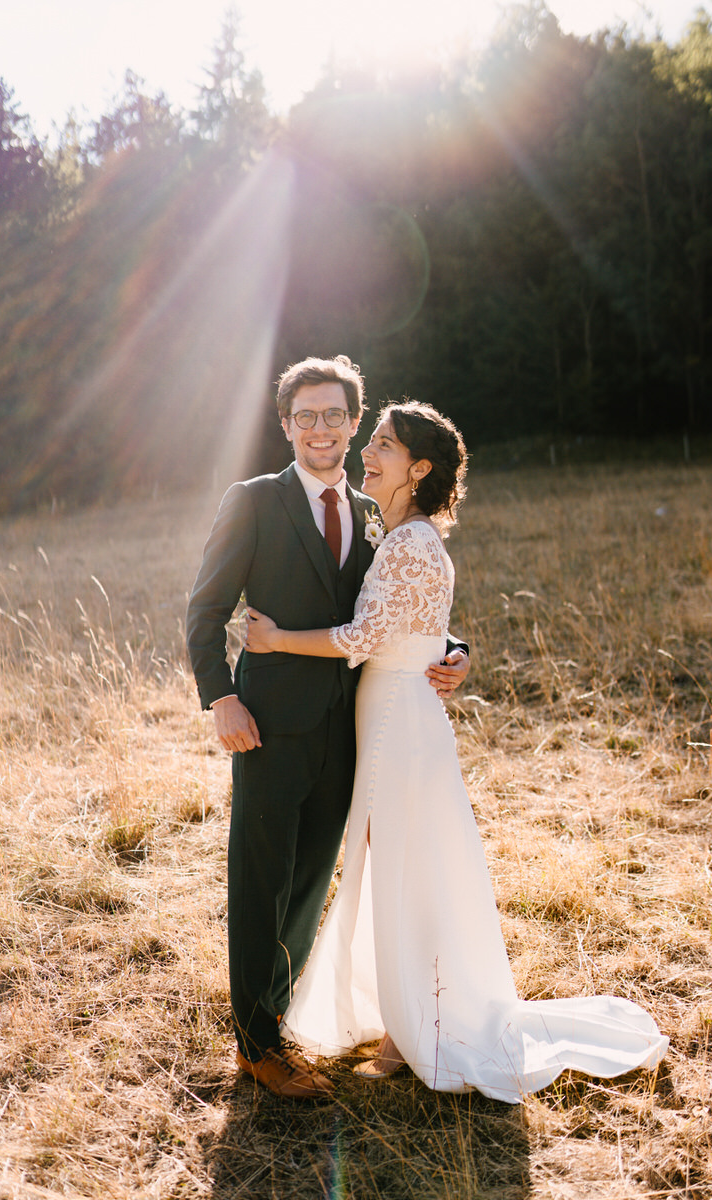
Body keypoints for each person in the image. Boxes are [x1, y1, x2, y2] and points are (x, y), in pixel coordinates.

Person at [244, 400, 668, 1101]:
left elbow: (362, 639)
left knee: (404, 867)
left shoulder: (410, 544)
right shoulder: (406, 537)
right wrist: (453, 649)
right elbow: (417, 626)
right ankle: (402, 1020)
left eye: (380, 443)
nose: (366, 453)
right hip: (393, 712)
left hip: (399, 723)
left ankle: (413, 1028)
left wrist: (276, 639)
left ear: (418, 468)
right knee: (400, 867)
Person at [185, 356, 470, 1101]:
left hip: (351, 731)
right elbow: (205, 610)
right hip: (268, 727)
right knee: (260, 880)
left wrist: (452, 649)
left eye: (335, 415)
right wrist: (222, 699)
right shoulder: (251, 501)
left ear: (352, 422)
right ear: (286, 426)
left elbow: (397, 609)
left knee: (311, 882)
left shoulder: (375, 512)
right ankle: (257, 1045)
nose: (321, 428)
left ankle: (277, 1016)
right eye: (305, 415)